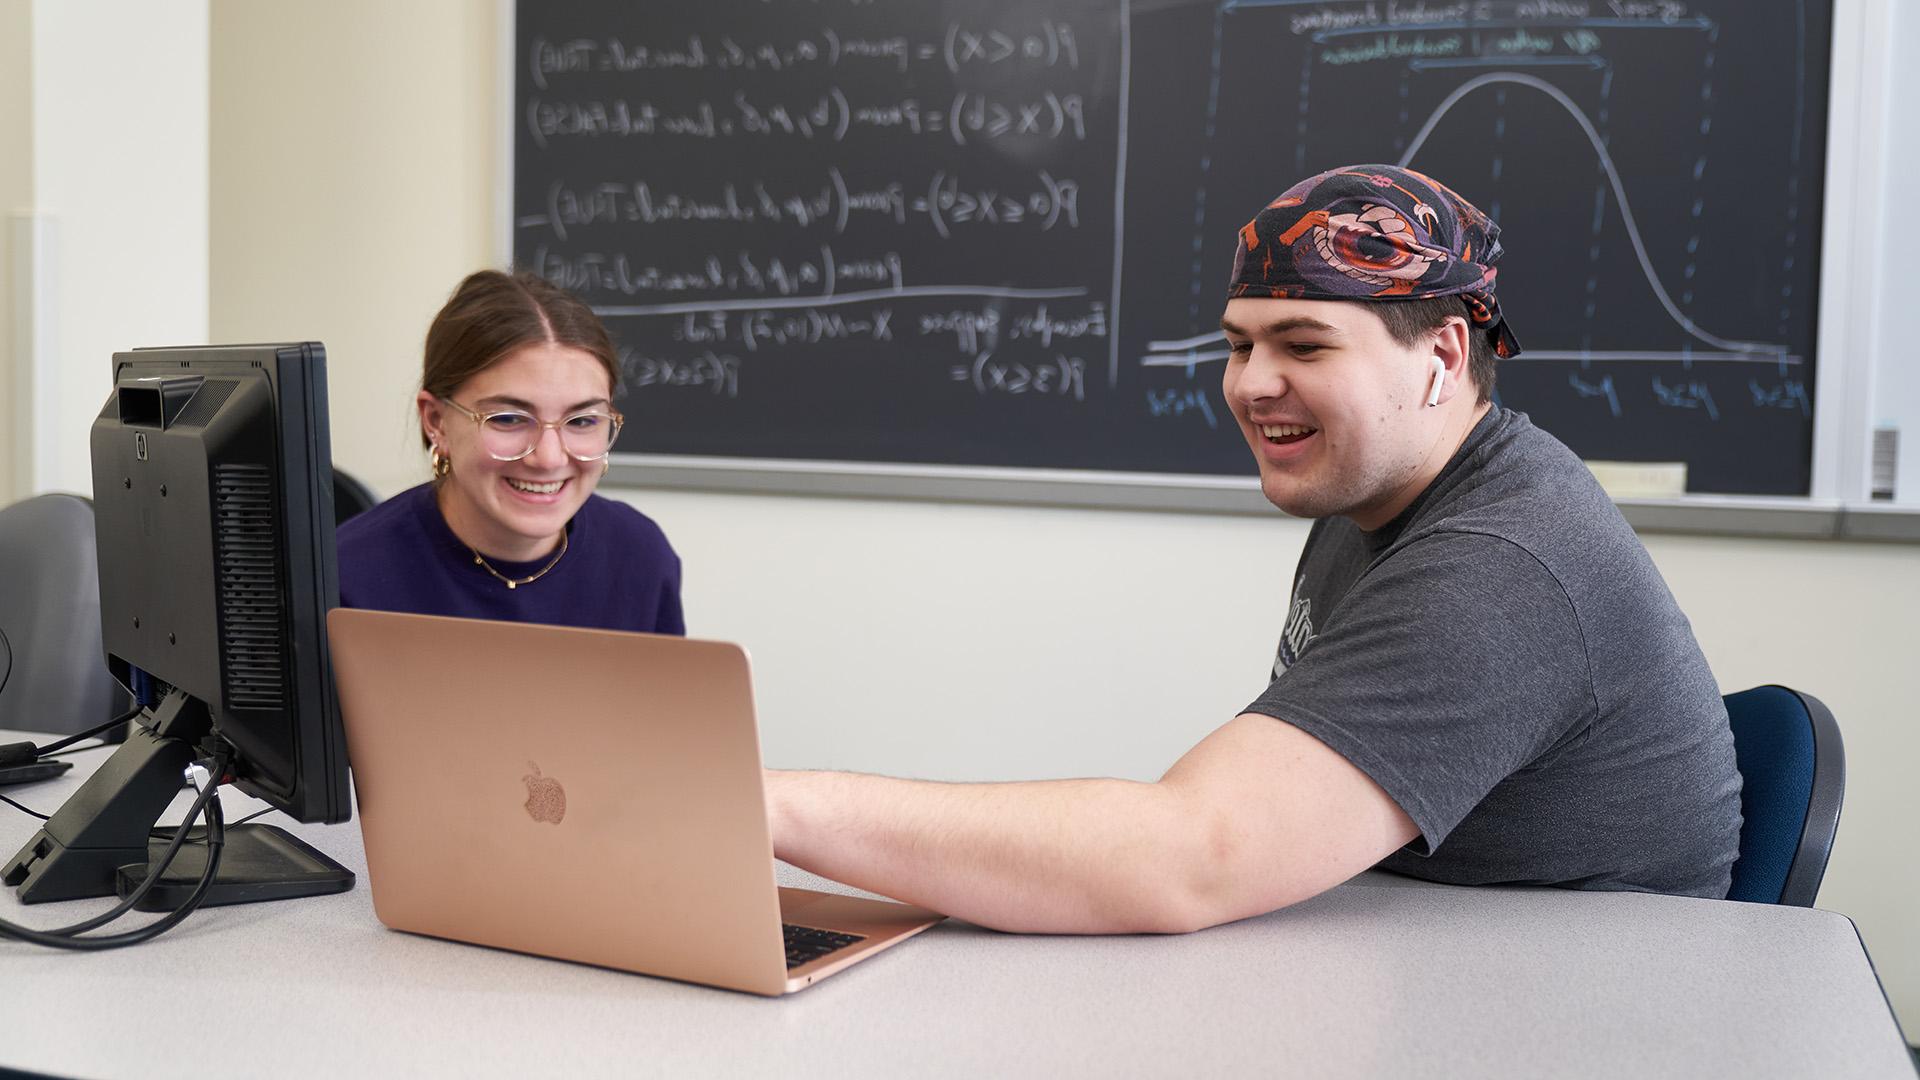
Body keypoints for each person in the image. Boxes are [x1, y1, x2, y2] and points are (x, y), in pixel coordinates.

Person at [763, 164, 1742, 934]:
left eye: (1305, 346)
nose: (1250, 385)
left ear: (1443, 355)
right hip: (1424, 955)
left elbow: (1192, 853)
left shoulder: (1504, 565)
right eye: (1240, 345)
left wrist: (777, 809)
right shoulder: (1371, 498)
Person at [337, 270, 684, 635]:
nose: (549, 458)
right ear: (436, 421)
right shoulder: (345, 576)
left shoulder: (641, 556)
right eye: (508, 419)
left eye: (582, 421)